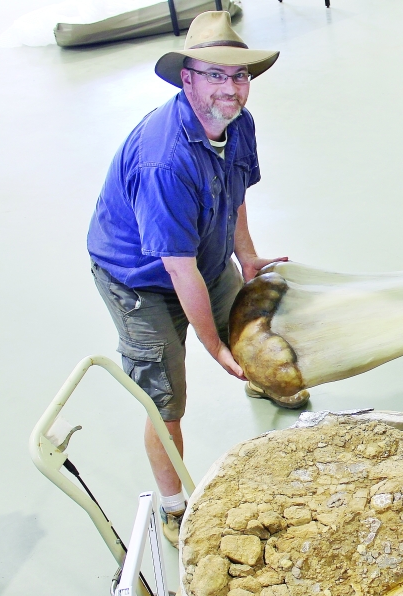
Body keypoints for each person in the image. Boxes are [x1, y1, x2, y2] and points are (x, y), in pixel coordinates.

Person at [87, 11, 298, 546]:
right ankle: (175, 505)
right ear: (187, 78)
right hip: (141, 282)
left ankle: (258, 379)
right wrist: (213, 347)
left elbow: (235, 194)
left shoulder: (235, 121)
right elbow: (177, 272)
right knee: (165, 400)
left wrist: (245, 258)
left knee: (251, 323)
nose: (232, 88)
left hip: (199, 255)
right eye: (216, 75)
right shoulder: (166, 160)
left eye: (240, 75)